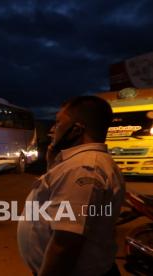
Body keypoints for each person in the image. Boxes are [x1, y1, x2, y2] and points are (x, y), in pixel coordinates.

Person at [17, 96, 125, 276]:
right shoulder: (82, 164)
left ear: (76, 130)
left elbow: (64, 245)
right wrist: (53, 165)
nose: (52, 130)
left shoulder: (83, 168)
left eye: (58, 123)